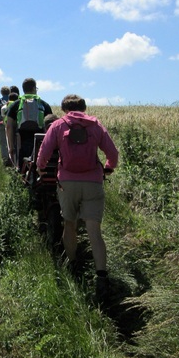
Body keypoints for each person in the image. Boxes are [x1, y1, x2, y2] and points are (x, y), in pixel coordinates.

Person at [36, 94, 119, 304]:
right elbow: (113, 154)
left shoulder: (57, 125)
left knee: (69, 224)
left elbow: (43, 154)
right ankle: (101, 278)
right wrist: (107, 169)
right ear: (84, 107)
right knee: (94, 231)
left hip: (67, 183)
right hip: (93, 182)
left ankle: (72, 264)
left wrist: (41, 168)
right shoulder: (96, 125)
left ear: (64, 108)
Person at [5, 78, 53, 168]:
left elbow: (9, 126)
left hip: (21, 138)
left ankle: (22, 179)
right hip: (40, 138)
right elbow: (51, 126)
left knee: (22, 165)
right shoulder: (44, 105)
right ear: (34, 88)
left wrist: (11, 147)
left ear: (23, 90)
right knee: (38, 163)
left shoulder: (16, 104)